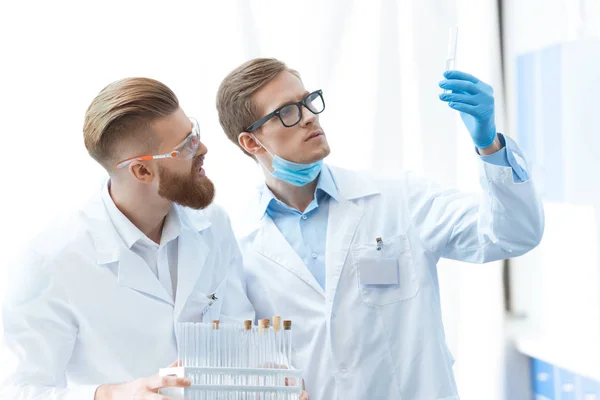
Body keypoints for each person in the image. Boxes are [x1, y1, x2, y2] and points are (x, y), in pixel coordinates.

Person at [215, 58, 545, 400]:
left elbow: (513, 233)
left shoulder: (399, 199)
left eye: (307, 101)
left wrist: (490, 145)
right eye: (287, 111)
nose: (311, 115)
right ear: (252, 143)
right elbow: (238, 363)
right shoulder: (235, 243)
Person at [0, 77, 257, 399]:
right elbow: (19, 389)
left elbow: (239, 337)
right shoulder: (50, 259)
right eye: (186, 146)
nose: (202, 148)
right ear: (142, 171)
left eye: (194, 132)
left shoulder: (212, 224)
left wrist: (271, 385)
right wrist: (108, 395)